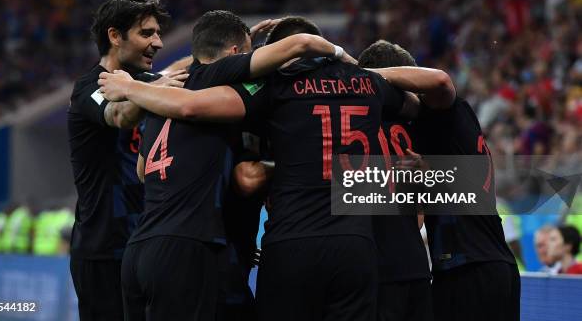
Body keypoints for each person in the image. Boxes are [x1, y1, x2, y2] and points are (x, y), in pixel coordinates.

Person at [98, 16, 454, 321]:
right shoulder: (370, 85)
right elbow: (435, 88)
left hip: (286, 243)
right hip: (369, 251)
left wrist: (133, 88)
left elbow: (197, 113)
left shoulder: (271, 87)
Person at [114, 11, 352, 321]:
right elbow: (246, 178)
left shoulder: (166, 95)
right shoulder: (249, 95)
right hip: (204, 248)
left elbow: (142, 171)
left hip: (144, 245)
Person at [373, 46, 520, 321]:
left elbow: (440, 80)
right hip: (479, 265)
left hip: (472, 268)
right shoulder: (442, 131)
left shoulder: (448, 113)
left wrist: (365, 76)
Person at [67, 0, 185, 321]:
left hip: (148, 244)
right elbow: (118, 116)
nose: (158, 42)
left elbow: (180, 72)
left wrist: (231, 44)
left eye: (159, 33)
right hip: (104, 249)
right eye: (146, 33)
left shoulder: (148, 82)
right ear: (115, 35)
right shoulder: (89, 87)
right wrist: (152, 88)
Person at [357, 40, 436, 321]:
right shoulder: (418, 125)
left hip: (370, 269)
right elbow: (420, 214)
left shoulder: (350, 121)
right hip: (413, 266)